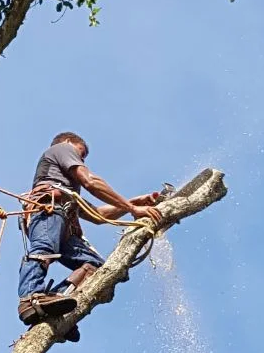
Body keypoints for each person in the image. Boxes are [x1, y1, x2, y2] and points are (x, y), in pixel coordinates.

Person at [18, 132, 162, 341]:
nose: (81, 160)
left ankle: (56, 302)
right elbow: (91, 181)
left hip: (63, 217)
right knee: (44, 250)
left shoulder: (69, 190)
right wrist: (131, 208)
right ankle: (30, 298)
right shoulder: (61, 149)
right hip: (49, 210)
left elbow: (99, 215)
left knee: (95, 267)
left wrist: (135, 203)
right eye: (81, 154)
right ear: (68, 143)